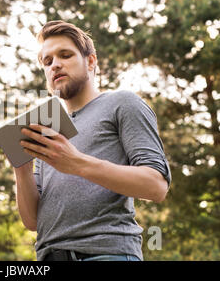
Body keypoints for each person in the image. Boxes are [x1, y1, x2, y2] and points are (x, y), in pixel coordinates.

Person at [13, 20, 171, 261]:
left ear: (91, 61)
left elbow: (156, 186)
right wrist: (22, 171)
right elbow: (33, 221)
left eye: (65, 55)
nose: (55, 65)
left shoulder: (123, 103)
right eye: (47, 61)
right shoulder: (49, 131)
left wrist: (76, 162)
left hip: (106, 255)